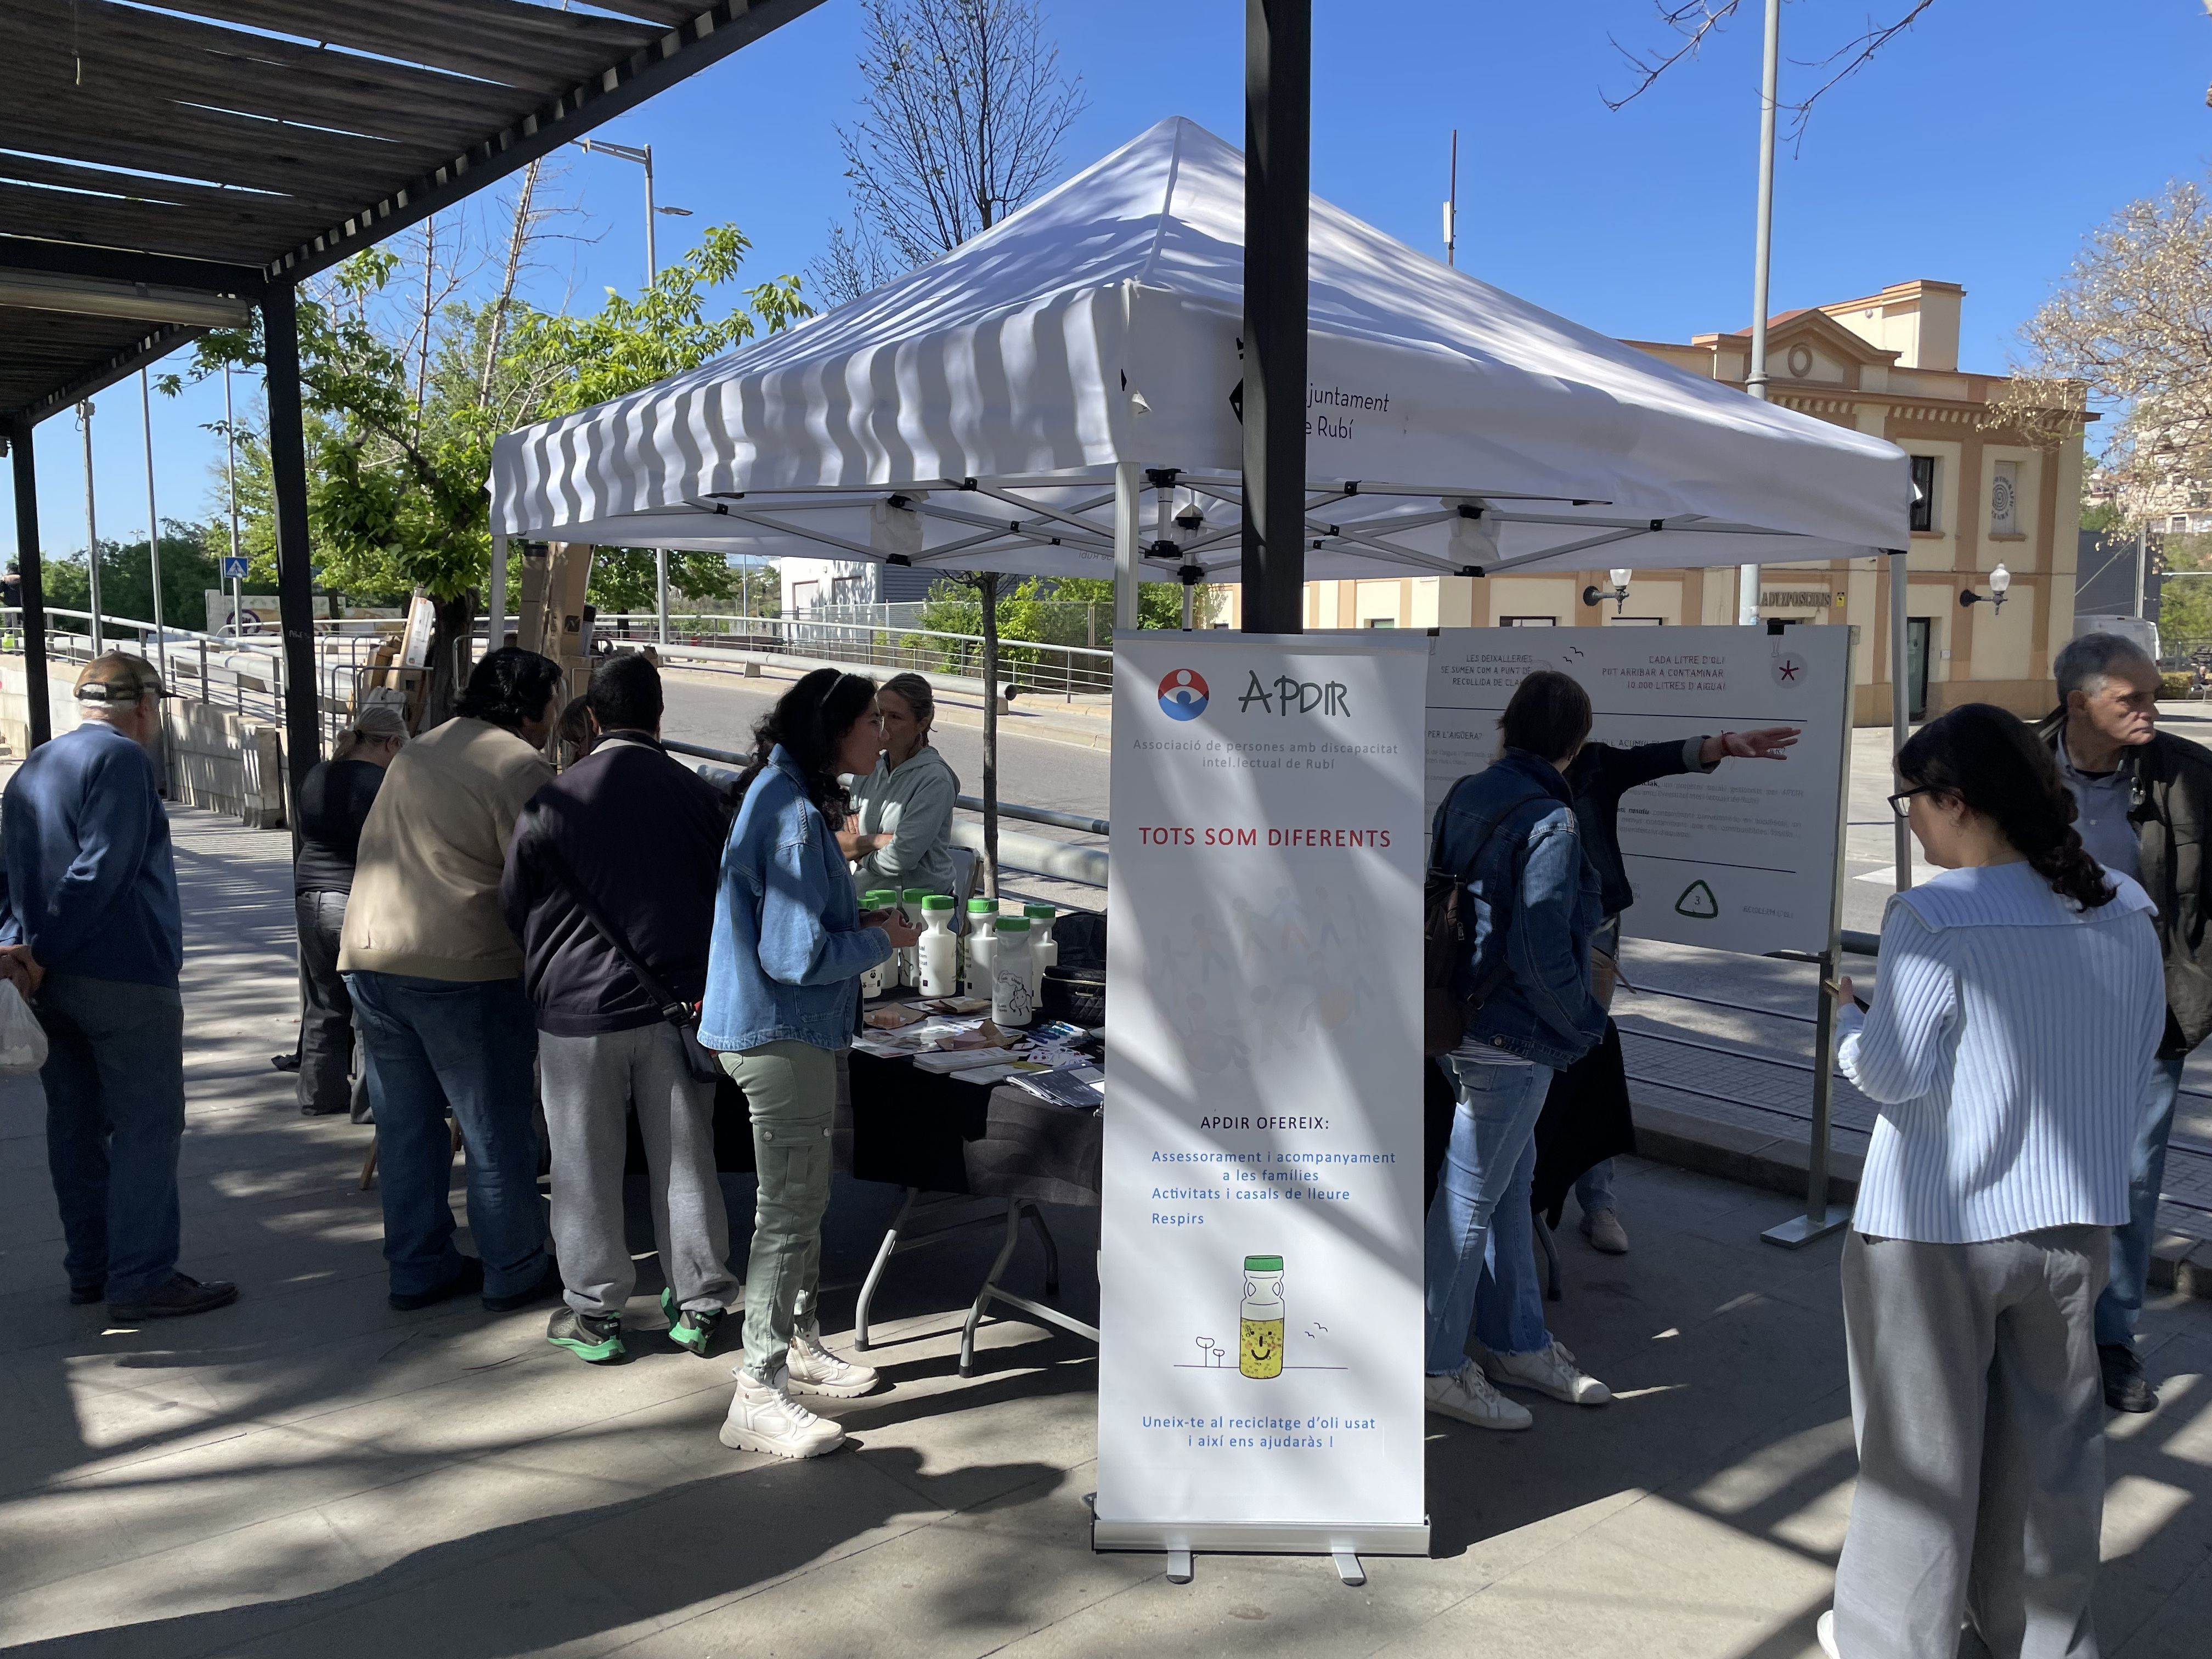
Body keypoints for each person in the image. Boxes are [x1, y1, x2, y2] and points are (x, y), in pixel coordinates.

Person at [1816, 703, 2162, 1659]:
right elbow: (2134, 1061)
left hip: (1932, 1224)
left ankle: (1894, 1639)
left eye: (1911, 802)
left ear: (1955, 800)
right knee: (2051, 1459)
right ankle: (2040, 1638)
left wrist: (1854, 1027)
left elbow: (1894, 1077)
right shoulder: (2126, 909)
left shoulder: (1933, 913)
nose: (1911, 822)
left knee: (1916, 1460)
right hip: (2072, 1221)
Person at [703, 668, 921, 1458]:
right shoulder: (793, 813)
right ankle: (757, 1390)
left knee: (798, 1202)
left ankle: (798, 1346)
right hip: (780, 1032)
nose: (882, 732)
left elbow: (788, 923)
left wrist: (856, 919)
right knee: (790, 1211)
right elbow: (794, 955)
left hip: (776, 1030)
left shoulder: (782, 794)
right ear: (833, 731)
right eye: (870, 720)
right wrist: (879, 941)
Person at [502, 654, 742, 1363]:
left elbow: (514, 904)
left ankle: (596, 1316)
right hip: (678, 1011)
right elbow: (728, 901)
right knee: (688, 1165)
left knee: (583, 1167)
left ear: (595, 718)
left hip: (577, 1015)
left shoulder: (554, 798)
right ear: (659, 717)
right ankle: (699, 1305)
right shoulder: (699, 797)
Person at [0, 654, 236, 1318]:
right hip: (122, 971)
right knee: (146, 1128)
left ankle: (93, 1267)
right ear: (145, 706)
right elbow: (103, 867)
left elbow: (8, 871)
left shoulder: (36, 765)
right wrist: (43, 950)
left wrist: (20, 954)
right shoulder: (125, 761)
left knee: (74, 1126)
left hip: (48, 980)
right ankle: (140, 1276)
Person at [340, 648, 565, 1314]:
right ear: (531, 706)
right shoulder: (519, 764)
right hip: (462, 964)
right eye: (552, 702)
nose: (555, 716)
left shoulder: (422, 747)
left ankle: (417, 1267)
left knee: (408, 1127)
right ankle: (515, 1264)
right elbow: (541, 872)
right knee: (493, 1125)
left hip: (372, 955)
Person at [1424, 669, 1610, 1432]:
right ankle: (1433, 1362)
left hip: (1453, 1019)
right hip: (1511, 1033)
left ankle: (1517, 1340)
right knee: (1470, 1203)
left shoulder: (1466, 791)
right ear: (1574, 744)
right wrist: (1584, 1020)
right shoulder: (1554, 823)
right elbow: (1540, 950)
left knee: (1504, 1187)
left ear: (1508, 727)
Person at [2037, 632, 2212, 1414]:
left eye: (2153, 695)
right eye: (2131, 699)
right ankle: (2035, 1323)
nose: (2152, 711)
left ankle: (2112, 1339)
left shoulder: (2188, 775)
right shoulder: (2016, 766)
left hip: (2148, 1014)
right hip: (2033, 1006)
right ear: (2080, 703)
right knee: (2034, 1165)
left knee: (2131, 1181)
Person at [1552, 726, 1801, 1252]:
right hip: (1532, 939)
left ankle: (1597, 1202)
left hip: (1594, 935)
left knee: (1589, 1065)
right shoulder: (1507, 781)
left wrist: (1721, 746)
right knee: (1530, 1068)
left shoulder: (1593, 764)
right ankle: (1521, 1197)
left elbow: (1652, 756)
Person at [292, 703, 408, 1118]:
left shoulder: (317, 775)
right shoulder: (383, 784)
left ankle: (318, 1095)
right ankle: (370, 1103)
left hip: (310, 895)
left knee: (324, 1001)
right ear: (392, 743)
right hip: (355, 897)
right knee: (370, 1006)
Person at [840, 672, 961, 898]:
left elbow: (898, 860)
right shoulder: (870, 767)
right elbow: (838, 843)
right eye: (878, 716)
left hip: (917, 913)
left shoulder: (935, 779)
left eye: (895, 717)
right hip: (865, 901)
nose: (883, 728)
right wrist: (878, 841)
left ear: (922, 725)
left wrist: (857, 852)